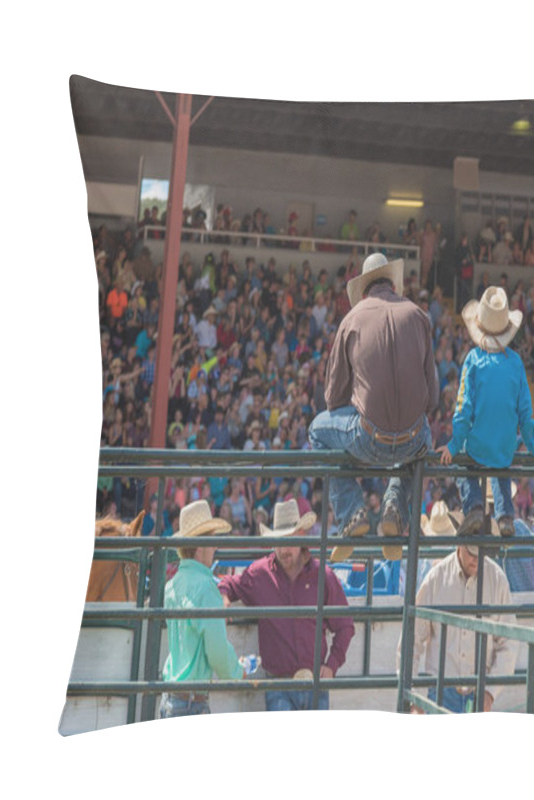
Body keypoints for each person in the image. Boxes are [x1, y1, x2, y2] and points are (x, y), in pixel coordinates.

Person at [309, 253, 438, 562]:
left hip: (367, 437)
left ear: (363, 289)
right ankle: (394, 503)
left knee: (317, 430)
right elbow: (432, 399)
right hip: (413, 438)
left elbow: (333, 399)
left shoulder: (351, 320)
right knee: (426, 438)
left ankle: (352, 510)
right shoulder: (419, 316)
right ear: (393, 284)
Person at [218, 498, 355, 711]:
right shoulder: (260, 573)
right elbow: (231, 584)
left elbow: (345, 626)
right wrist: (223, 596)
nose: (283, 550)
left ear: (302, 537)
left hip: (314, 682)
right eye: (279, 541)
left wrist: (332, 665)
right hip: (279, 684)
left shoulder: (323, 576)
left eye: (289, 541)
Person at [437, 286, 534, 538]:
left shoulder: (473, 360)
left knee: (463, 465)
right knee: (501, 464)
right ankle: (505, 515)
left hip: (477, 446)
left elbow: (463, 408)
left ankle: (475, 507)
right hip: (504, 447)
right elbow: (525, 411)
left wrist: (453, 445)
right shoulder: (516, 362)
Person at [397, 506, 517, 713]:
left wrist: (489, 693)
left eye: (481, 553)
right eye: (471, 552)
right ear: (459, 544)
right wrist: (414, 696)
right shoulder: (436, 579)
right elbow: (411, 639)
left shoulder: (497, 580)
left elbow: (509, 643)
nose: (476, 559)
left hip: (478, 693)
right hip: (441, 691)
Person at [159, 500, 245, 719]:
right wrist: (236, 671)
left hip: (170, 696)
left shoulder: (173, 584)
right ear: (199, 547)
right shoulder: (206, 587)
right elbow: (215, 649)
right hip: (191, 704)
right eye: (212, 541)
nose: (215, 547)